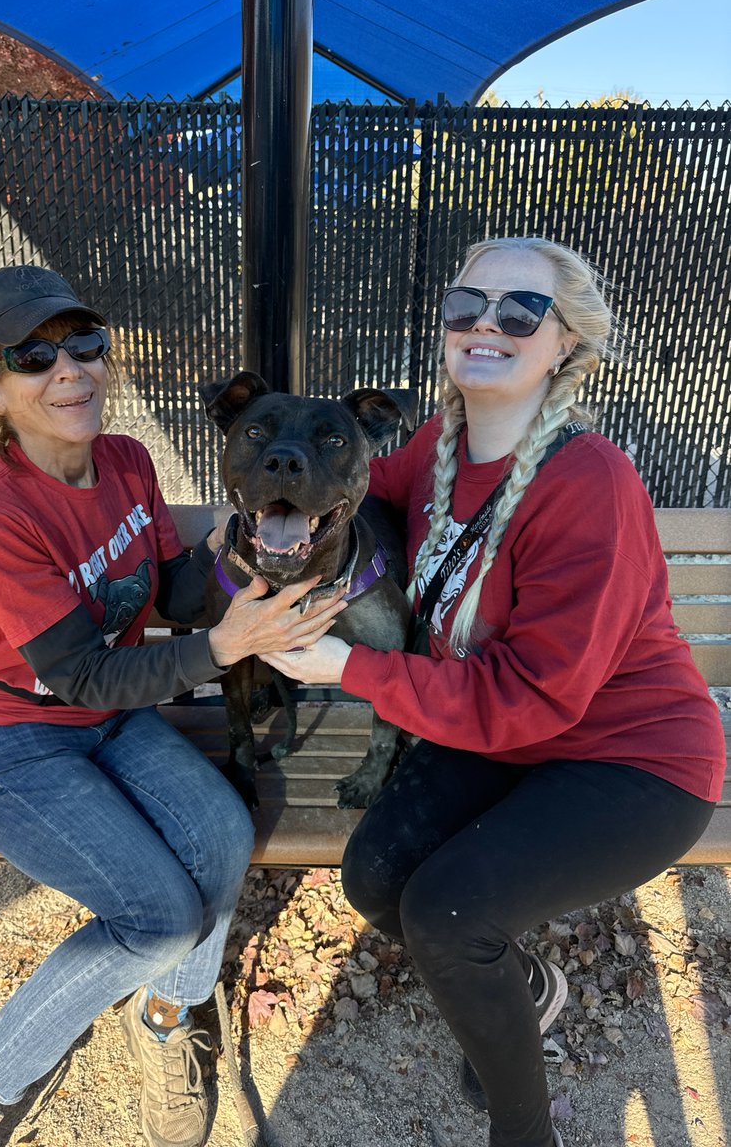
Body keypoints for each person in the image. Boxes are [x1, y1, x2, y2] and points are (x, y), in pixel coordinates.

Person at [259, 236, 725, 1147]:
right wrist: (257, 546)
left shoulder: (591, 481)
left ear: (565, 346)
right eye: (466, 306)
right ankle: (528, 988)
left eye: (520, 312)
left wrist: (350, 669)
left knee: (448, 913)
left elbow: (535, 696)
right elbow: (348, 501)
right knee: (377, 879)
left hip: (632, 757)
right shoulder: (439, 447)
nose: (486, 325)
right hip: (502, 736)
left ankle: (521, 1128)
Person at [0, 265, 346, 1147]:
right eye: (33, 356)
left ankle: (170, 1022)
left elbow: (168, 593)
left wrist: (238, 559)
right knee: (158, 919)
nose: (69, 370)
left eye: (84, 344)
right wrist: (229, 645)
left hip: (108, 720)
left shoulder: (128, 462)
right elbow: (81, 675)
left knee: (221, 835)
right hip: (9, 740)